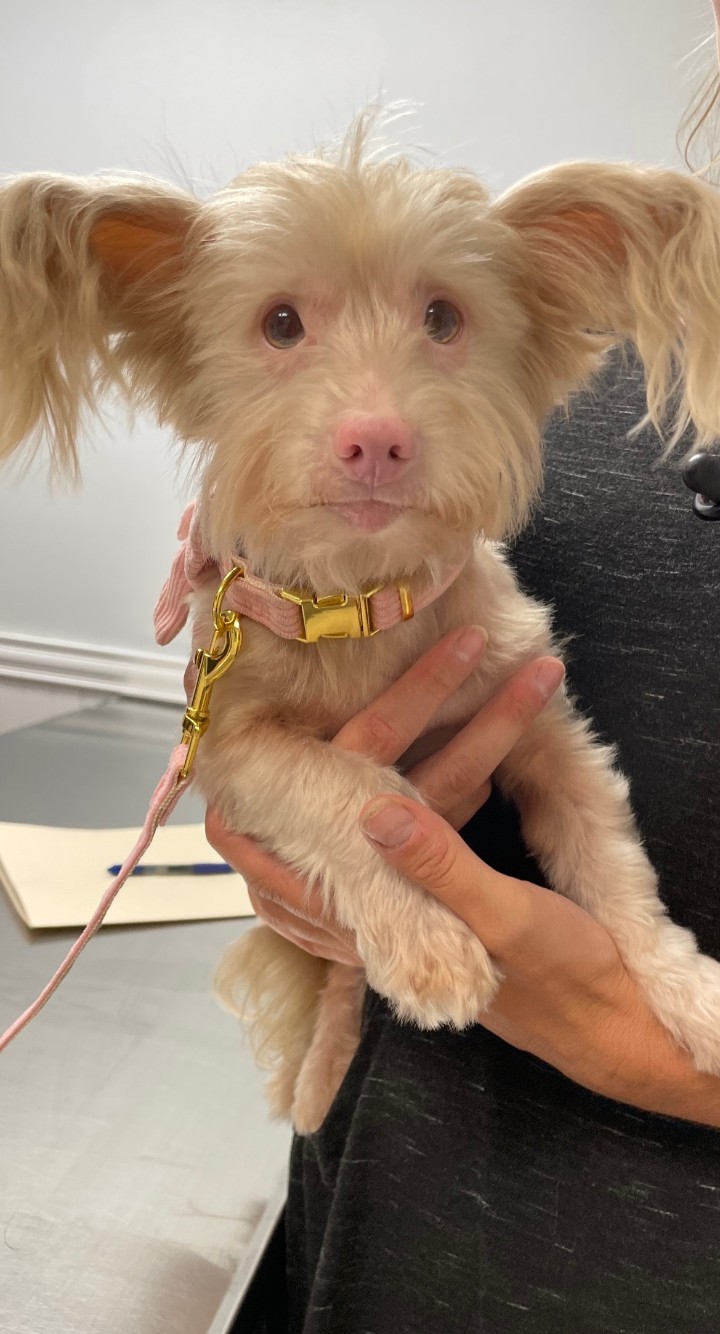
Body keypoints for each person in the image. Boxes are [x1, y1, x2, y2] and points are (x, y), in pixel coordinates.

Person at [209, 39, 720, 1334]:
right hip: (375, 1241)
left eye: (437, 322)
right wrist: (267, 520)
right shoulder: (577, 386)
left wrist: (631, 1026)